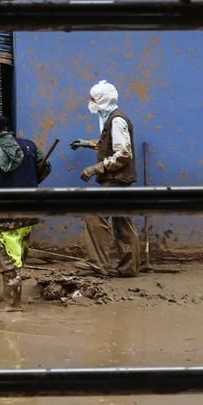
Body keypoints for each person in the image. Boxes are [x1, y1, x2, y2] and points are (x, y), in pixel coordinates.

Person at [0, 111, 43, 311]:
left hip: (6, 214)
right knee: (18, 255)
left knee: (8, 259)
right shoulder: (29, 145)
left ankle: (13, 304)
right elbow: (44, 169)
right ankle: (9, 295)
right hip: (30, 212)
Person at [70, 79, 140, 277]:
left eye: (93, 98)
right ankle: (129, 268)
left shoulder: (117, 120)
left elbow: (124, 154)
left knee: (94, 214)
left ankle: (99, 264)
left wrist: (96, 168)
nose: (90, 102)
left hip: (115, 179)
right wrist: (88, 143)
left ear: (102, 99)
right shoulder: (110, 117)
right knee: (121, 221)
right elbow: (110, 144)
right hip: (119, 179)